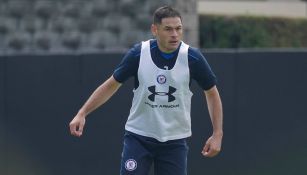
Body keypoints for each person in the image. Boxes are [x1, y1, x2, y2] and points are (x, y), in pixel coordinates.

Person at [69, 6, 223, 175]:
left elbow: (212, 93)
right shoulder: (138, 54)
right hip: (138, 137)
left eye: (178, 28)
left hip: (175, 141)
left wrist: (217, 133)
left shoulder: (192, 58)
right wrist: (82, 113)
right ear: (154, 30)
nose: (175, 34)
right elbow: (110, 85)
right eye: (168, 29)